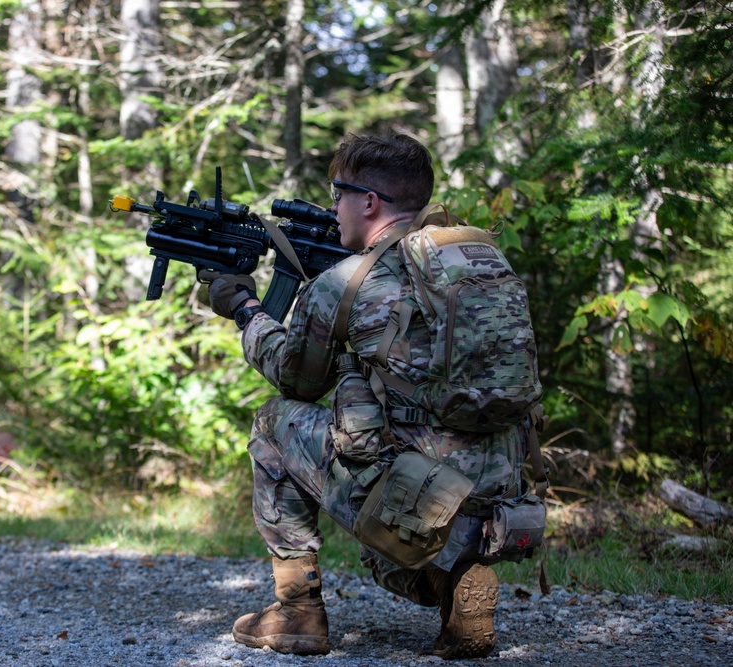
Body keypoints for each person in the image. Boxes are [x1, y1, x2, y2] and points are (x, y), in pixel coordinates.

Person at [201, 132, 532, 659]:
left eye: (338, 195)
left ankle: (297, 612)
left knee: (273, 422)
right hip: (498, 502)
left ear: (369, 202)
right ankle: (459, 587)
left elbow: (298, 380)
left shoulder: (344, 281)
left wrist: (245, 309)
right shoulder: (478, 264)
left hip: (411, 508)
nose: (333, 209)